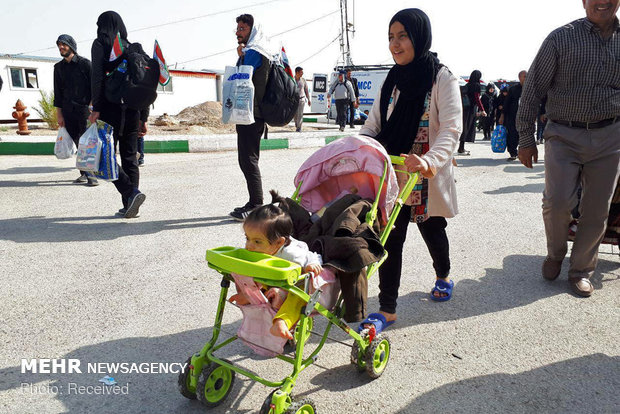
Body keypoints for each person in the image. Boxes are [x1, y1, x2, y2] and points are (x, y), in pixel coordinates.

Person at [359, 8, 462, 329]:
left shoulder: (442, 78)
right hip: (395, 174)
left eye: (402, 36)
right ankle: (387, 308)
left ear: (419, 37)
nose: (395, 43)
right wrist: (358, 149)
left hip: (425, 174)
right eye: (391, 37)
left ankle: (443, 274)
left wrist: (429, 161)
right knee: (391, 239)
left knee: (433, 231)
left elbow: (451, 129)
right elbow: (373, 124)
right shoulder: (391, 80)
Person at [517, 0, 620, 297]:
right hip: (563, 134)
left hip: (611, 136)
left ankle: (581, 270)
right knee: (557, 203)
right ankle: (555, 253)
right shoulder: (561, 38)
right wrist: (525, 138)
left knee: (597, 210)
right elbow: (534, 88)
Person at [230, 193, 335, 340]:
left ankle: (283, 321)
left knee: (297, 297)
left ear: (279, 243)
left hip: (294, 284)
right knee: (245, 273)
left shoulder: (291, 253)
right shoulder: (260, 249)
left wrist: (312, 264)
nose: (249, 246)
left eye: (257, 242)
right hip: (273, 278)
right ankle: (249, 295)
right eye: (247, 238)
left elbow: (312, 255)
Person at [89, 11, 147, 219]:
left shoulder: (101, 44)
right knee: (130, 157)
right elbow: (143, 83)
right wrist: (143, 117)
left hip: (110, 109)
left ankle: (131, 193)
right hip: (133, 110)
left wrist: (96, 107)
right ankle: (130, 205)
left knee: (104, 157)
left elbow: (96, 77)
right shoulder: (130, 46)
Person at [229, 14, 271, 221]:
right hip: (251, 113)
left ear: (252, 30)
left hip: (251, 114)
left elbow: (242, 77)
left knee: (248, 159)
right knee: (247, 159)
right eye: (237, 28)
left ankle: (256, 204)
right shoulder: (256, 51)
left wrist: (242, 57)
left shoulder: (254, 52)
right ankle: (254, 202)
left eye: (242, 28)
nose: (237, 32)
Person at [53, 34, 98, 187]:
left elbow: (95, 87)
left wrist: (93, 108)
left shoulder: (85, 64)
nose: (61, 47)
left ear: (71, 46)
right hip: (67, 111)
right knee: (77, 142)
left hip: (84, 110)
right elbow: (57, 94)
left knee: (85, 143)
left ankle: (91, 175)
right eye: (59, 45)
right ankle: (84, 173)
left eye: (63, 45)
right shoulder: (58, 68)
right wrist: (59, 115)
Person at [457, 70, 486, 155]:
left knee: (463, 127)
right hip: (470, 109)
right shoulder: (476, 86)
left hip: (464, 108)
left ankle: (461, 147)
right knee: (466, 127)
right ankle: (461, 148)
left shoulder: (467, 85)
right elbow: (477, 98)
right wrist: (482, 109)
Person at [501, 70, 527, 161]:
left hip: (526, 117)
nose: (526, 78)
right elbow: (506, 103)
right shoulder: (513, 89)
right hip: (512, 116)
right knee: (512, 135)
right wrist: (502, 115)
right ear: (519, 78)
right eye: (524, 77)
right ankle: (513, 153)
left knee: (524, 135)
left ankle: (522, 153)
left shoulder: (530, 89)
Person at [293, 66, 311, 132]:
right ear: (297, 72)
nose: (302, 74)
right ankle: (296, 124)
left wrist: (308, 99)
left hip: (302, 99)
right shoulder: (292, 79)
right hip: (294, 100)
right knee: (295, 114)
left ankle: (299, 127)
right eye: (301, 72)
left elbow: (306, 90)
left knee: (300, 114)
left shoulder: (303, 80)